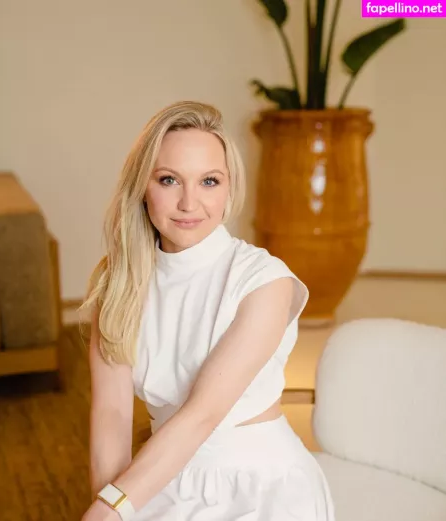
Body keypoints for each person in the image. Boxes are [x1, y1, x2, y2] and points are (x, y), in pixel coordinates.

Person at [80, 100, 335, 521]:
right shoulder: (117, 280)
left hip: (261, 488)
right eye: (169, 180)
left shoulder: (264, 281)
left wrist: (112, 508)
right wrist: (108, 505)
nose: (188, 202)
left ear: (229, 189)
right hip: (153, 479)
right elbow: (112, 413)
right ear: (142, 186)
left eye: (209, 181)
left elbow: (202, 415)